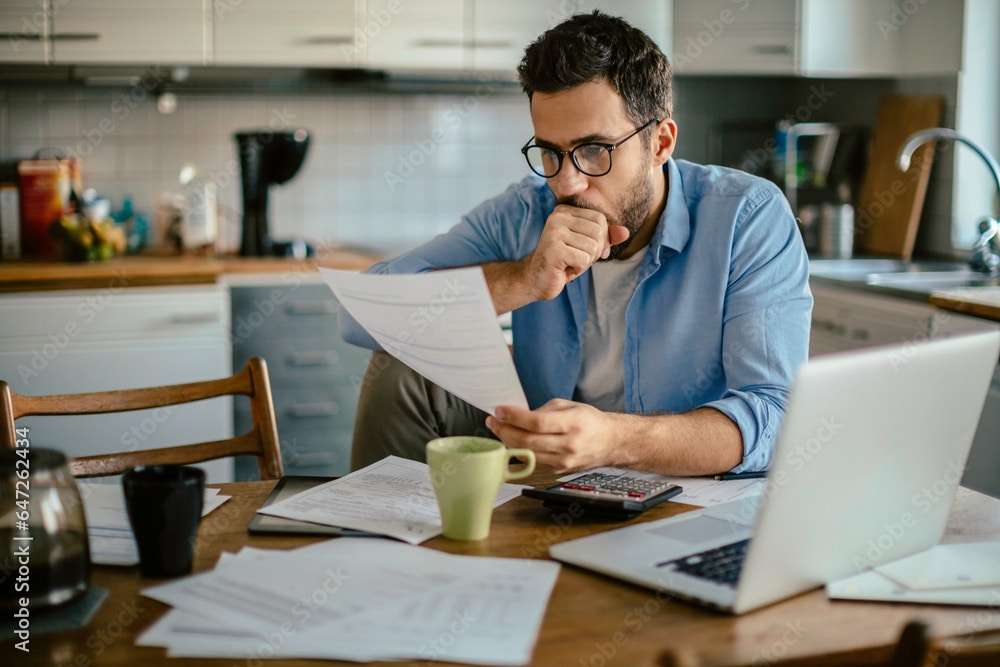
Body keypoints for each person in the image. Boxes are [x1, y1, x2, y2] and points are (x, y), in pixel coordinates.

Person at [341, 11, 812, 476]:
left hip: (682, 484)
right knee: (400, 365)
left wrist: (613, 440)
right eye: (550, 152)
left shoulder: (745, 217)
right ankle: (388, 542)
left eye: (594, 151)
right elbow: (361, 316)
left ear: (661, 143)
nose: (566, 183)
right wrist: (523, 278)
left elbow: (775, 416)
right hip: (543, 465)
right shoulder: (524, 212)